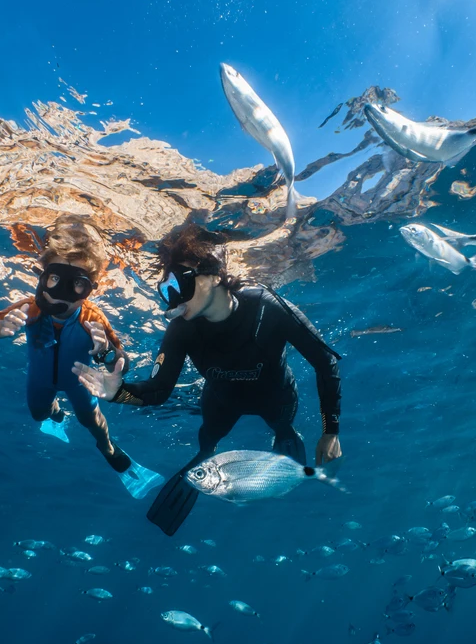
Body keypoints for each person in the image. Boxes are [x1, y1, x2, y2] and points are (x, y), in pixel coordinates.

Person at [74, 224, 342, 535]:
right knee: (208, 443)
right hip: (220, 402)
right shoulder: (182, 329)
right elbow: (158, 392)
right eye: (165, 290)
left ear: (215, 276)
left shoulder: (267, 307)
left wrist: (330, 431)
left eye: (179, 285)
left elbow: (325, 363)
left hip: (277, 397)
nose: (172, 301)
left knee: (282, 426)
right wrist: (119, 393)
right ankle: (206, 462)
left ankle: (284, 439)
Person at [0, 216, 163, 498]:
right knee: (39, 413)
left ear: (89, 289)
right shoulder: (31, 308)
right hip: (40, 380)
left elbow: (123, 363)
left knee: (90, 420)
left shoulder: (92, 318)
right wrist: (0, 327)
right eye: (55, 278)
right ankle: (57, 413)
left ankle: (108, 448)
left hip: (79, 382)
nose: (62, 292)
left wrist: (107, 354)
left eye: (76, 285)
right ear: (44, 277)